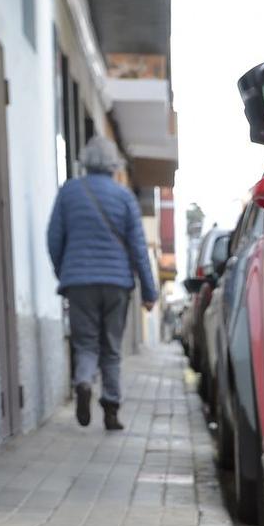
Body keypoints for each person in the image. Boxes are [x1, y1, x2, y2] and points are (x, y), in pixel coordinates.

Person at [46, 136, 157, 432]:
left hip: (79, 282)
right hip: (117, 284)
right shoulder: (124, 198)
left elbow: (54, 238)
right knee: (111, 347)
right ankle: (111, 409)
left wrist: (65, 273)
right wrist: (149, 292)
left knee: (85, 343)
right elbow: (138, 248)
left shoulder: (68, 192)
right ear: (113, 165)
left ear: (85, 161)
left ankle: (83, 381)